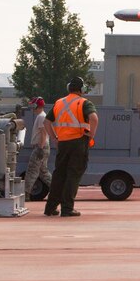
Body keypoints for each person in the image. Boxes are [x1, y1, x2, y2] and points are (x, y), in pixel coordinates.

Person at [44, 80, 97, 218]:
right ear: (82, 89)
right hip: (79, 142)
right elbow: (94, 118)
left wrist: (54, 137)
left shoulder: (59, 103)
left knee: (59, 174)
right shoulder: (84, 103)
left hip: (62, 143)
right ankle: (67, 208)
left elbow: (46, 122)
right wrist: (90, 135)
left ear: (69, 88)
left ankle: (50, 207)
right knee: (73, 175)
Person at [21, 98, 52, 200]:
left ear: (36, 106)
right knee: (43, 172)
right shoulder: (42, 116)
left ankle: (26, 194)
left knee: (31, 171)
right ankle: (57, 190)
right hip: (43, 146)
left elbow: (43, 133)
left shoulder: (41, 117)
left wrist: (40, 148)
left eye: (32, 105)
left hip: (40, 146)